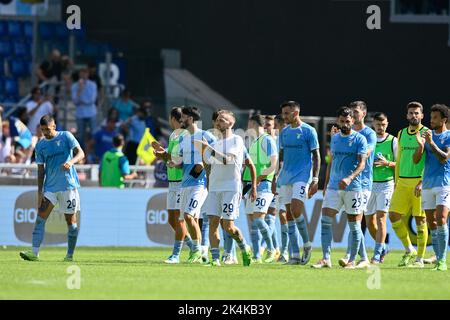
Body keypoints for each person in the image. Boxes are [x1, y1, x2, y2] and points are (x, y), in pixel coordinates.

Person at [153, 106, 216, 263]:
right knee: (185, 218)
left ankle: (187, 253)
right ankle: (199, 252)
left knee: (188, 216)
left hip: (200, 183)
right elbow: (179, 161)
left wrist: (205, 164)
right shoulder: (184, 140)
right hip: (185, 184)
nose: (181, 120)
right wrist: (170, 161)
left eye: (184, 117)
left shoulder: (205, 135)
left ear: (191, 119)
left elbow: (218, 152)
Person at [19, 115, 85, 262]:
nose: (45, 133)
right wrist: (39, 192)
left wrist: (71, 162)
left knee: (71, 223)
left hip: (68, 187)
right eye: (43, 130)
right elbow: (41, 170)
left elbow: (81, 153)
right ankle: (34, 253)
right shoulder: (41, 145)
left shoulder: (66, 136)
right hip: (50, 188)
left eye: (47, 129)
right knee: (40, 219)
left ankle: (69, 255)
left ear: (54, 126)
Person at [196, 110, 256, 266]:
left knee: (228, 226)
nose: (218, 122)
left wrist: (208, 148)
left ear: (231, 123)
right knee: (213, 222)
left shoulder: (236, 140)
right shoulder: (215, 143)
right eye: (217, 120)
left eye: (222, 119)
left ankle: (244, 246)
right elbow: (209, 166)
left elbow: (227, 160)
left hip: (231, 187)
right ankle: (215, 259)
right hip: (215, 188)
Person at [312, 106, 368, 269]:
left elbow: (362, 164)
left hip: (353, 187)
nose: (345, 124)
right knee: (325, 221)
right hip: (334, 187)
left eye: (348, 121)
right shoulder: (335, 138)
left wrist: (350, 178)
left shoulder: (360, 139)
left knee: (354, 225)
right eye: (342, 121)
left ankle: (351, 260)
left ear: (353, 121)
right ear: (338, 121)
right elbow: (332, 162)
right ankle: (325, 258)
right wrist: (327, 184)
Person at [277, 101, 321, 265]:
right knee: (288, 215)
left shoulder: (309, 131)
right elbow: (282, 156)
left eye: (287, 113)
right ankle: (294, 254)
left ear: (296, 113)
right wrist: (277, 177)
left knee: (296, 210)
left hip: (302, 176)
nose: (284, 116)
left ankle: (307, 244)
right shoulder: (285, 132)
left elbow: (316, 156)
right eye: (283, 113)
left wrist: (315, 179)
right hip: (285, 177)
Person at [388, 102, 429, 268]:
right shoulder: (401, 133)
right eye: (411, 113)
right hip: (402, 182)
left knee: (420, 219)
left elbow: (431, 162)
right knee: (393, 215)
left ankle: (419, 259)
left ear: (422, 116)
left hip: (419, 182)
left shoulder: (427, 133)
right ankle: (408, 248)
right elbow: (399, 161)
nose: (414, 116)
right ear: (407, 116)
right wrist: (396, 181)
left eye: (417, 113)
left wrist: (423, 181)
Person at [339, 101, 377, 269]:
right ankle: (362, 257)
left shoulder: (369, 134)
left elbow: (365, 154)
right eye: (351, 112)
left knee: (357, 220)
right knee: (354, 221)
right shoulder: (347, 133)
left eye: (356, 111)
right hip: (348, 182)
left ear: (363, 114)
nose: (352, 115)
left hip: (363, 182)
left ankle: (351, 256)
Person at [158, 107, 195, 264]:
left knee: (180, 219)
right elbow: (171, 158)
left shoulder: (185, 135)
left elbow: (179, 159)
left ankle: (176, 255)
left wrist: (165, 155)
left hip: (181, 182)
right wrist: (162, 153)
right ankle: (193, 247)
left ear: (172, 118)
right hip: (172, 182)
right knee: (172, 220)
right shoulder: (173, 135)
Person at [415, 104, 450, 271]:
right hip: (428, 184)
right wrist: (421, 145)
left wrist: (430, 143)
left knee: (442, 219)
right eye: (431, 117)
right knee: (431, 222)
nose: (431, 120)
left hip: (444, 184)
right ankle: (438, 258)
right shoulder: (425, 135)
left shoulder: (449, 136)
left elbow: (444, 158)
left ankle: (442, 260)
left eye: (435, 117)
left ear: (444, 119)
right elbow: (416, 160)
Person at [243, 114, 279, 263]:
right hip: (250, 185)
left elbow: (273, 164)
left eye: (249, 124)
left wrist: (259, 178)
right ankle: (256, 255)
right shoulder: (254, 142)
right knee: (253, 223)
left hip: (263, 184)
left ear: (252, 123)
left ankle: (272, 249)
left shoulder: (267, 140)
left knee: (258, 220)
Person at [365, 112, 397, 264]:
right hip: (369, 185)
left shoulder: (393, 141)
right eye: (378, 124)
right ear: (373, 124)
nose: (381, 127)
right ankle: (383, 247)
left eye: (383, 124)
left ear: (387, 124)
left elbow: (400, 165)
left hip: (386, 184)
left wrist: (388, 163)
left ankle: (377, 254)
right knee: (370, 222)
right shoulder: (368, 139)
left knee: (381, 218)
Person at [263, 115, 281, 260]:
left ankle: (266, 247)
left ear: (275, 126)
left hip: (279, 182)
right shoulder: (263, 141)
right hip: (267, 181)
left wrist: (276, 178)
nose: (265, 127)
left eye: (268, 125)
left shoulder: (280, 141)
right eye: (264, 124)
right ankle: (276, 248)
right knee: (269, 216)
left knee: (271, 216)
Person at [71, 68, 98, 149]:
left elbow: (92, 100)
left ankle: (93, 153)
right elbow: (75, 101)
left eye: (85, 73)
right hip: (80, 113)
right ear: (79, 74)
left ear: (88, 74)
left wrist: (81, 101)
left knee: (94, 133)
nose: (83, 75)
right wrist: (80, 89)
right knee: (81, 135)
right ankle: (82, 154)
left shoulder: (93, 85)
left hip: (91, 113)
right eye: (82, 73)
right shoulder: (75, 86)